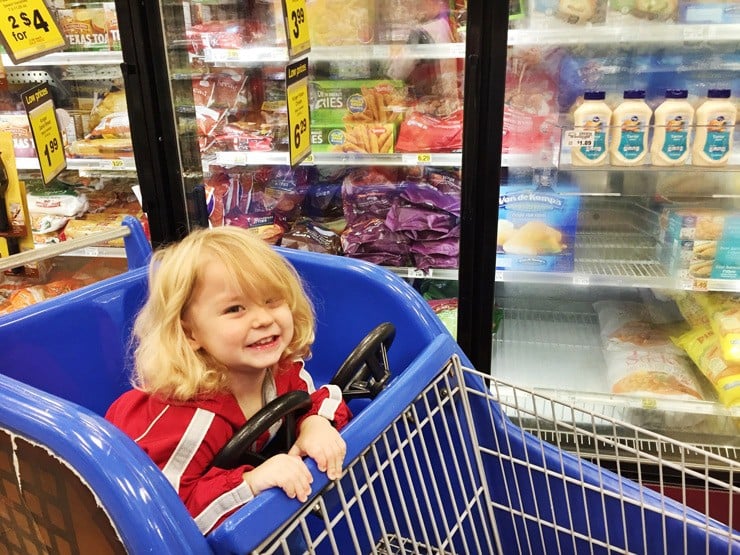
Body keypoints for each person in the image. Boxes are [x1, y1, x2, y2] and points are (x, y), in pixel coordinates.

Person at [106, 226, 351, 534]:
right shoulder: (189, 422)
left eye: (272, 300)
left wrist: (316, 425)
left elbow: (319, 396)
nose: (263, 319)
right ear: (190, 333)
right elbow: (166, 519)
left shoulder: (280, 370)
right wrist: (251, 482)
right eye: (235, 309)